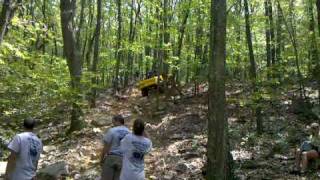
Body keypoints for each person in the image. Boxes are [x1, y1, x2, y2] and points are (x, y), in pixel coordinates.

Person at [101, 115, 130, 180]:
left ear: (117, 121)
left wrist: (102, 158)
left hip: (111, 157)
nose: (113, 124)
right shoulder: (129, 132)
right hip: (123, 159)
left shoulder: (112, 130)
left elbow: (106, 147)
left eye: (113, 122)